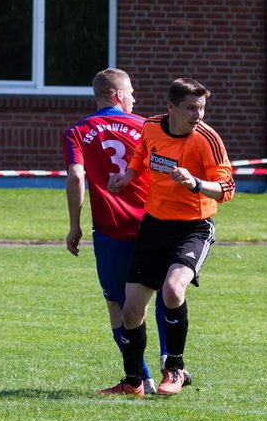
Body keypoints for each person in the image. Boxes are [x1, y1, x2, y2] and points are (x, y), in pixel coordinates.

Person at [105, 78, 234, 396]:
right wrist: (128, 176)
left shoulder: (207, 140)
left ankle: (174, 368)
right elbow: (141, 155)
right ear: (170, 107)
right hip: (154, 226)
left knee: (173, 291)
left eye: (202, 107)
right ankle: (133, 381)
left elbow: (227, 189)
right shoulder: (150, 127)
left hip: (193, 227)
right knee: (131, 310)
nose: (198, 114)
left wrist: (196, 183)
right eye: (191, 108)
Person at [63, 68, 166, 395]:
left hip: (112, 230)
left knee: (117, 304)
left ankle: (138, 379)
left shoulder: (77, 131)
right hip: (154, 223)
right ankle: (170, 365)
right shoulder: (146, 128)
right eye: (131, 91)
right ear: (117, 95)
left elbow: (77, 177)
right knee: (164, 293)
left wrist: (74, 225)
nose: (135, 97)